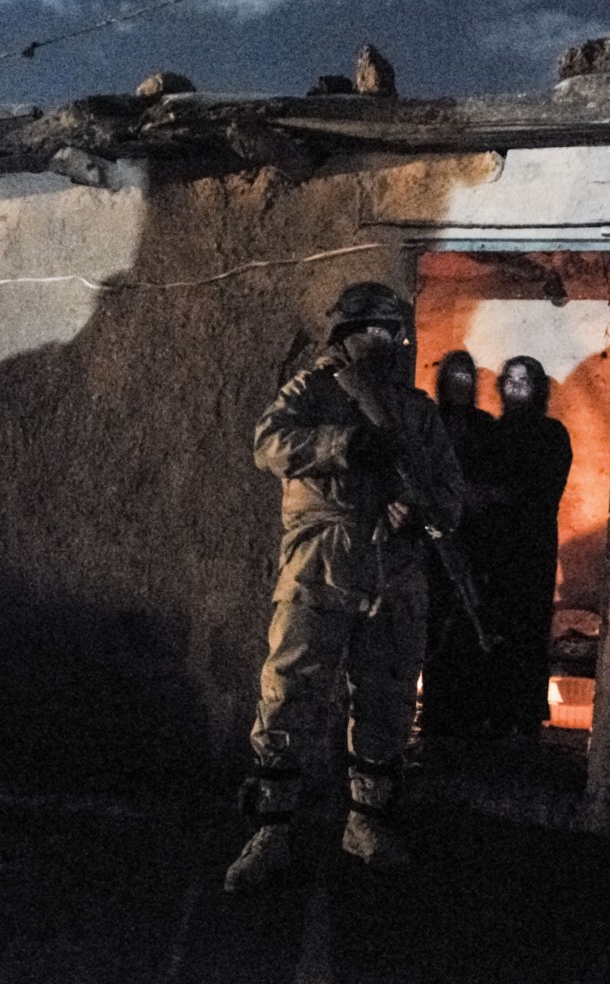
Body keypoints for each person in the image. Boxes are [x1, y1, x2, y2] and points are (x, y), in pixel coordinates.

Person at [225, 282, 464, 893]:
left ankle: (366, 825)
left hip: (393, 574)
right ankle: (272, 832)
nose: (385, 343)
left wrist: (417, 511)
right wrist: (343, 445)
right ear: (348, 333)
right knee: (289, 696)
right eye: (374, 331)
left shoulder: (415, 411)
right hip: (321, 565)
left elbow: (448, 497)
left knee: (386, 703)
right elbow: (268, 444)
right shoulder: (312, 391)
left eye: (392, 333)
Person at [476, 356, 572, 738]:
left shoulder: (552, 435)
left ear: (538, 389)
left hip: (532, 547)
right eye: (510, 379)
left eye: (525, 380)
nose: (516, 386)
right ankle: (496, 713)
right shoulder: (492, 433)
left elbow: (544, 492)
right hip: (495, 549)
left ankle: (527, 717)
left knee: (530, 631)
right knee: (496, 628)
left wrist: (498, 495)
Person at [419, 350, 496, 736]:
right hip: (434, 538)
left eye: (467, 376)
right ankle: (435, 715)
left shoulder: (484, 426)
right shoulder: (429, 421)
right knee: (435, 624)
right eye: (454, 376)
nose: (461, 384)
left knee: (469, 622)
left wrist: (479, 496)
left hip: (475, 538)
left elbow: (496, 476)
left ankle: (470, 716)